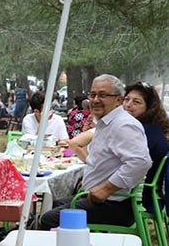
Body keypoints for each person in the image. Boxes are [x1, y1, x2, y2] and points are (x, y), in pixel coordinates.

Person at [39, 74, 152, 230]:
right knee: (51, 204)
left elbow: (140, 162)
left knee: (48, 219)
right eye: (92, 95)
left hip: (114, 205)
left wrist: (106, 189)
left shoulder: (123, 125)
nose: (95, 100)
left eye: (103, 95)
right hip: (95, 198)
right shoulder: (105, 123)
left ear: (119, 100)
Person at [69, 81, 169, 211]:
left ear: (149, 108)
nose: (128, 105)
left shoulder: (132, 129)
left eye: (136, 102)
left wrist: (103, 188)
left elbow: (138, 163)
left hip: (133, 201)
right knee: (62, 204)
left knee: (54, 216)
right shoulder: (149, 128)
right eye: (126, 99)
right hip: (134, 197)